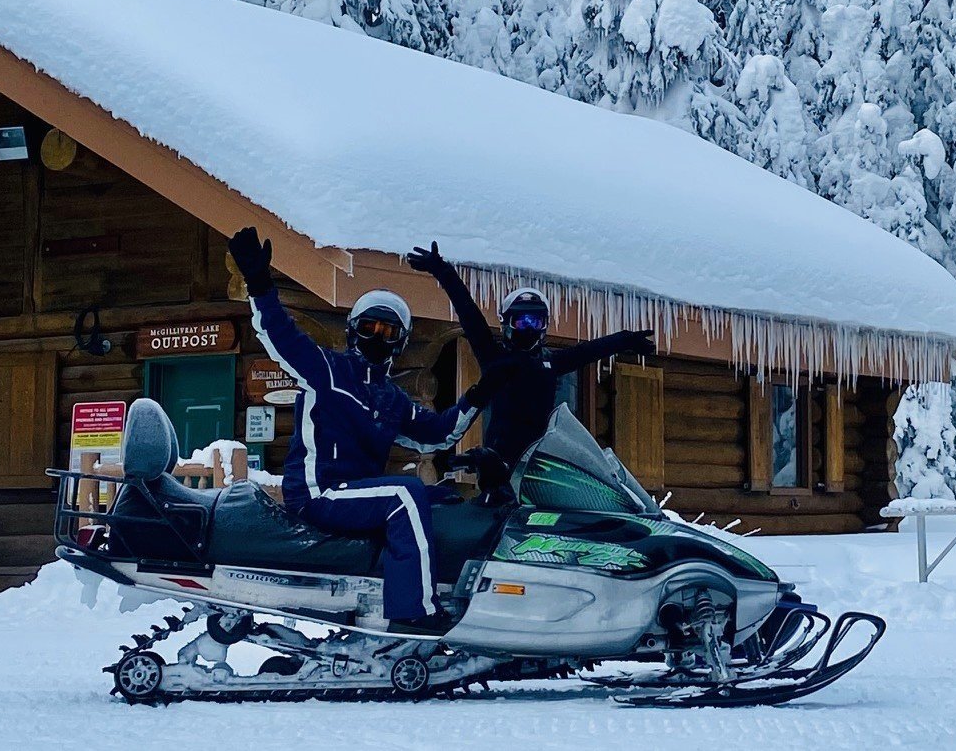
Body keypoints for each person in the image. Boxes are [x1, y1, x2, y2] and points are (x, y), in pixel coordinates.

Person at [230, 227, 495, 634]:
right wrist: (259, 282)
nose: (377, 337)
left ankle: (457, 595)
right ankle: (414, 614)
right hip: (320, 494)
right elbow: (279, 334)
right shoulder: (327, 370)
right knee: (405, 493)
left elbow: (438, 434)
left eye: (388, 333)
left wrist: (476, 396)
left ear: (400, 342)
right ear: (354, 330)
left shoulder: (390, 399)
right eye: (370, 327)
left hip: (356, 494)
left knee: (441, 498)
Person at [405, 242, 656, 502]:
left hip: (545, 469)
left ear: (545, 325)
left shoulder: (549, 363)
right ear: (506, 323)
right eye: (521, 320)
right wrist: (443, 271)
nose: (528, 327)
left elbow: (589, 351)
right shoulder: (495, 358)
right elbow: (468, 313)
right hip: (499, 471)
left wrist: (625, 339)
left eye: (535, 321)